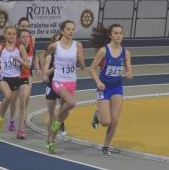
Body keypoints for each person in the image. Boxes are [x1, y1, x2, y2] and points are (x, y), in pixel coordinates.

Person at [40, 20, 85, 153]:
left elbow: (82, 67)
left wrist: (80, 57)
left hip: (71, 81)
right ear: (62, 31)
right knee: (71, 103)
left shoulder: (78, 45)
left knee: (64, 114)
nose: (71, 31)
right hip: (58, 81)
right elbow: (42, 56)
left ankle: (50, 140)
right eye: (68, 29)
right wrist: (43, 73)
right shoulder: (55, 46)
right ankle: (56, 121)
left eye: (73, 29)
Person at [89, 24, 133, 155]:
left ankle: (105, 146)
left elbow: (128, 68)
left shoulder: (126, 52)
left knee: (114, 120)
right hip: (104, 88)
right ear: (110, 35)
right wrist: (98, 82)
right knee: (105, 121)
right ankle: (97, 115)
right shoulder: (103, 51)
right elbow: (91, 68)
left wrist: (129, 73)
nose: (119, 35)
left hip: (117, 88)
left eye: (121, 33)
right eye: (116, 33)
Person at [0, 26, 29, 142]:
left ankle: (0, 121)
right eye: (9, 34)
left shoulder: (20, 48)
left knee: (11, 100)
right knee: (8, 96)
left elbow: (28, 65)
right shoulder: (0, 48)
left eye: (14, 34)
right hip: (2, 76)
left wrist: (20, 61)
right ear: (5, 35)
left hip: (15, 78)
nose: (12, 36)